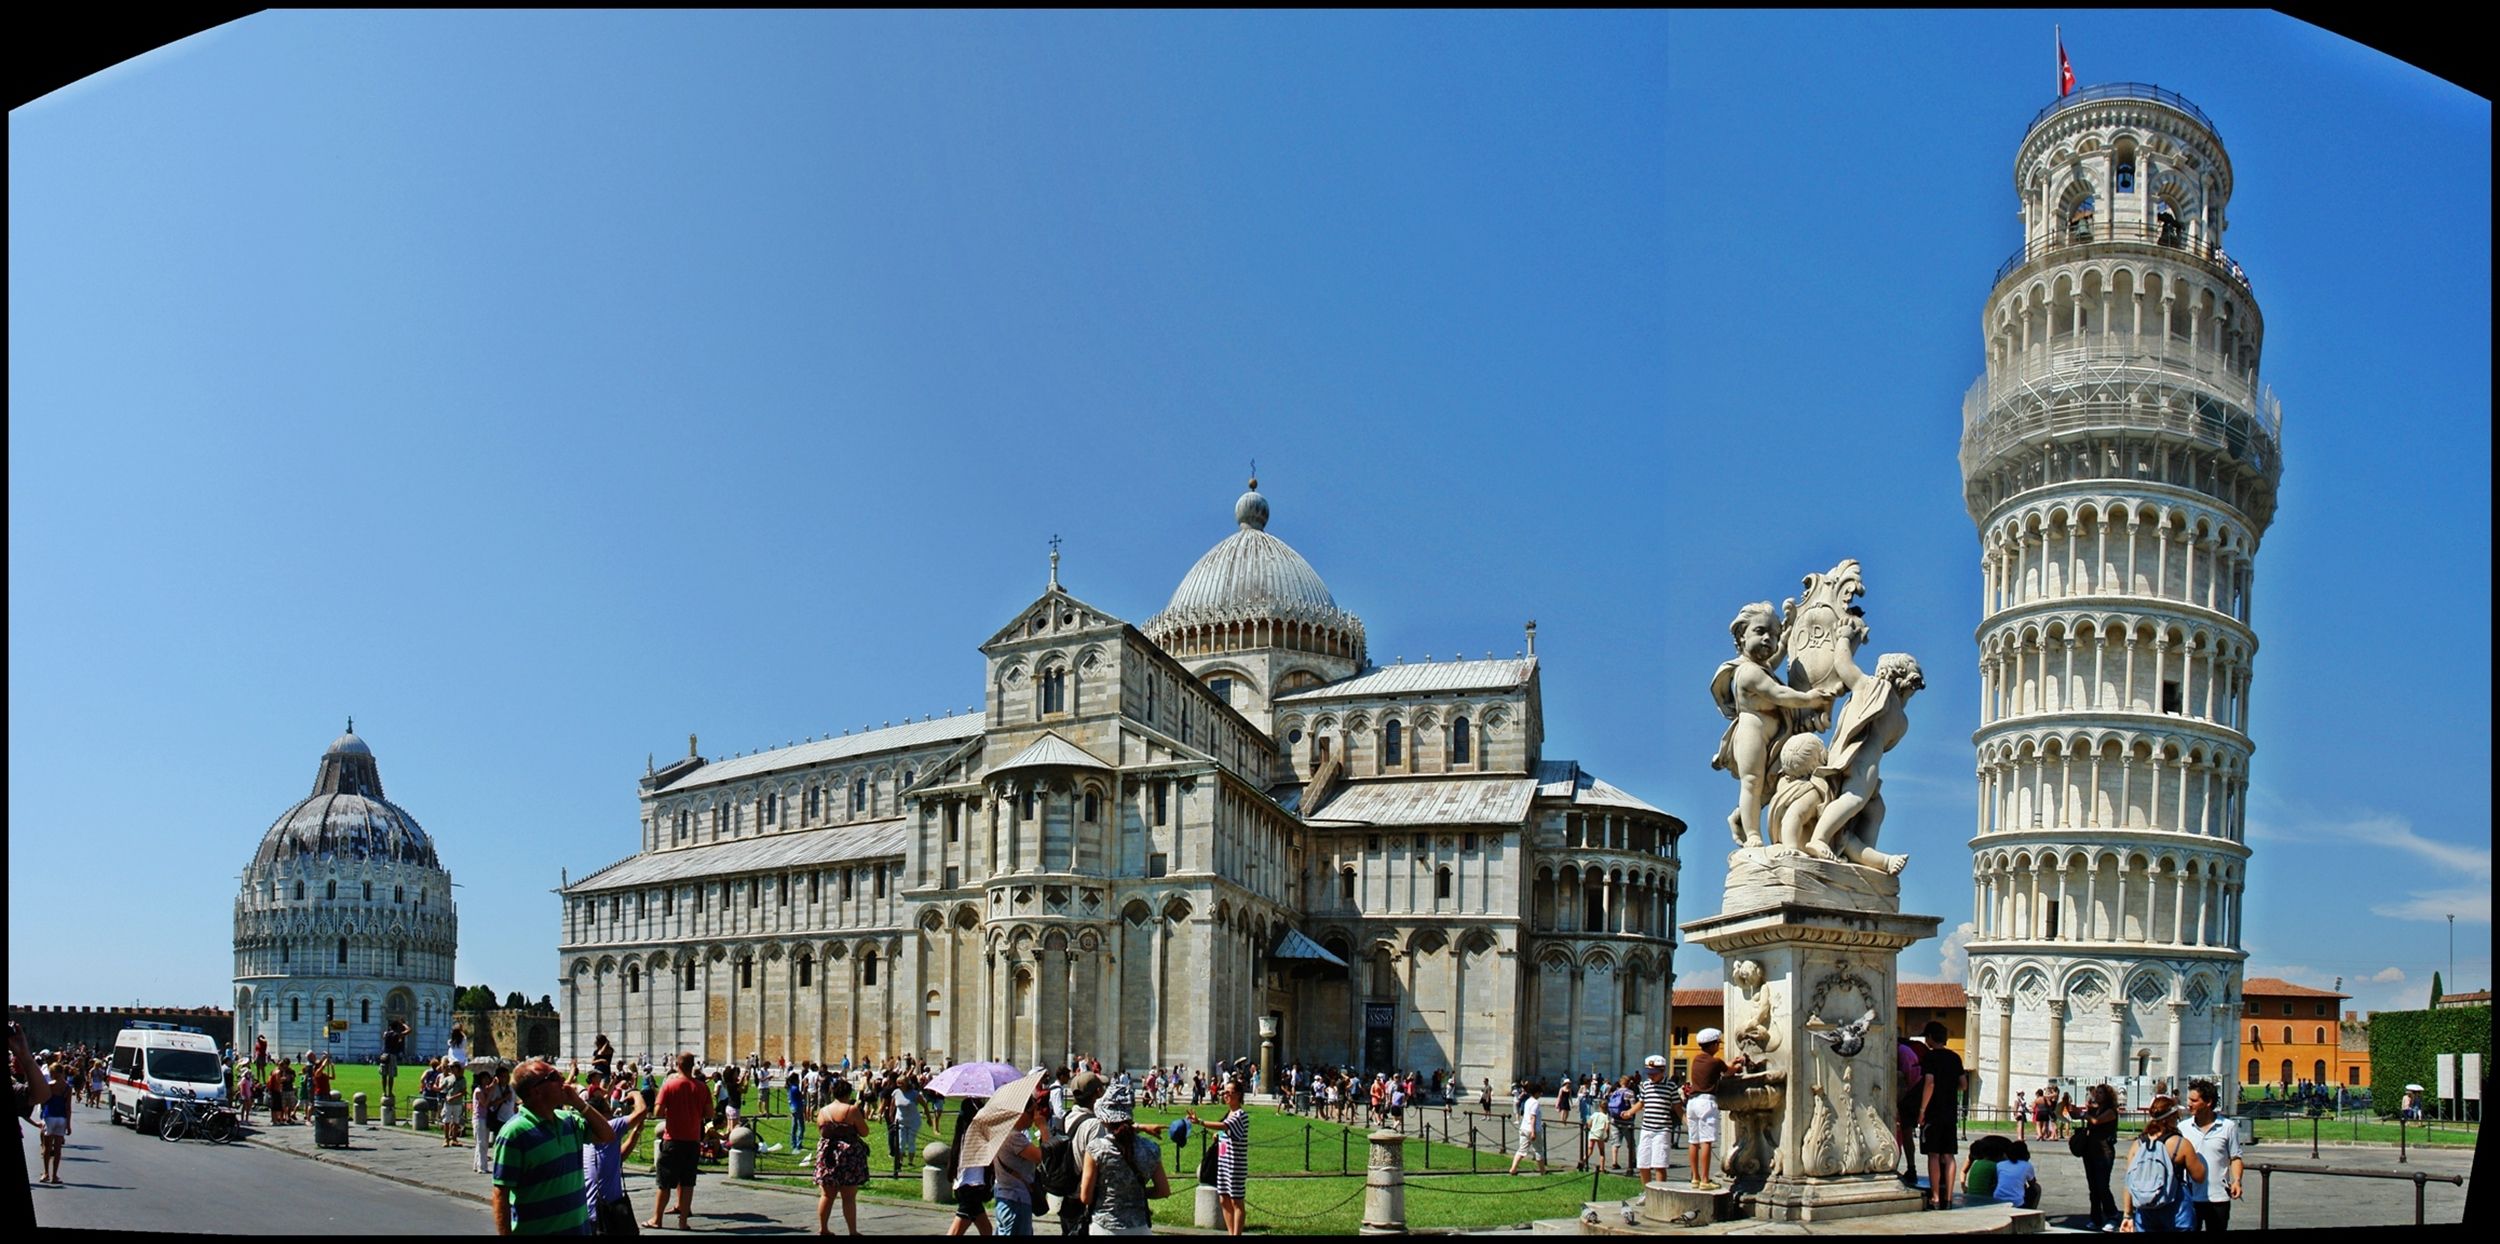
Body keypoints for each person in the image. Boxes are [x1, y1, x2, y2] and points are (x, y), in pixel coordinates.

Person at [490, 1058, 616, 1236]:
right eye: (553, 1076)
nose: (562, 1079)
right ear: (536, 1091)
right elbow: (500, 1195)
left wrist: (579, 1104)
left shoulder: (569, 1121)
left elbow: (607, 1135)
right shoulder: (514, 1133)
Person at [1079, 1084, 1169, 1236]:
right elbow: (1163, 1190)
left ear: (1104, 1118)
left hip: (1105, 1226)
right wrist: (1136, 1192)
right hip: (1139, 1227)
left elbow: (1086, 1197)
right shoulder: (1151, 1148)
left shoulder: (1096, 1149)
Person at [2119, 1095, 2205, 1233]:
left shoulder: (2138, 1144)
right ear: (2170, 1117)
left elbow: (2129, 1182)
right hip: (2177, 1209)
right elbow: (2199, 1176)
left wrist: (2127, 1215)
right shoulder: (2180, 1144)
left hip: (2145, 1210)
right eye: (2176, 1116)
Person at [646, 1053, 709, 1231]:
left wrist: (672, 1110)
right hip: (692, 1140)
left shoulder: (669, 1085)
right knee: (688, 1182)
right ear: (692, 1066)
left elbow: (658, 1111)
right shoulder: (702, 1087)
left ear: (677, 1064)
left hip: (672, 1139)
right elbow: (710, 1113)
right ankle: (683, 1222)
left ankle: (657, 1219)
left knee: (664, 1182)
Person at [583, 1069, 649, 1236]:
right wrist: (634, 1093)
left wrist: (636, 1133)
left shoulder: (585, 1135)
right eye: (608, 1110)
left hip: (590, 1211)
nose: (612, 1113)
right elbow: (641, 1111)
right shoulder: (610, 1126)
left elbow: (617, 1159)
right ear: (601, 1115)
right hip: (608, 1212)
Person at [2176, 1079, 2243, 1231]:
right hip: (2190, 1198)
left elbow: (2235, 1157)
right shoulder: (2182, 1128)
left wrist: (2237, 1181)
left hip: (2218, 1197)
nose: (2189, 1104)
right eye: (2189, 1100)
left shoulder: (2228, 1127)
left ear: (2208, 1102)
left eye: (2194, 1100)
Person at [1187, 1076, 1249, 1234]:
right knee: (1223, 1199)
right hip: (1224, 1164)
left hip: (1235, 1165)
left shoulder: (1240, 1115)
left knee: (1236, 1201)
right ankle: (1230, 1232)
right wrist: (1218, 1135)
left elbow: (1225, 1126)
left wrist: (1200, 1122)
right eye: (1224, 1092)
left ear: (1239, 1095)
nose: (1226, 1095)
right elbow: (1225, 1131)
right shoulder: (1229, 1114)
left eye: (1230, 1092)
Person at [814, 1078, 873, 1235]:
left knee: (827, 1194)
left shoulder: (823, 1111)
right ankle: (852, 1231)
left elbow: (821, 1130)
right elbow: (864, 1132)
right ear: (848, 1093)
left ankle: (823, 1228)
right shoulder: (851, 1110)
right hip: (848, 1155)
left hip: (827, 1154)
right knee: (848, 1196)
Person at [1916, 1021, 1964, 1210]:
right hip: (1950, 1112)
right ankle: (1950, 1197)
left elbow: (1930, 1083)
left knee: (1933, 1155)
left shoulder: (1930, 1057)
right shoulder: (1955, 1057)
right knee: (1949, 1155)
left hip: (1934, 1112)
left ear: (1929, 1038)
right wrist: (1950, 1089)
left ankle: (1936, 1196)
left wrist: (1922, 1110)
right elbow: (1963, 1084)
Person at [1056, 1071, 1109, 1236]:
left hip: (1068, 1198)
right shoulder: (1094, 1125)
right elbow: (1101, 1163)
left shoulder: (1066, 1117)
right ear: (1098, 1093)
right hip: (1086, 1201)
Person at [987, 1092, 1045, 1237]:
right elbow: (1041, 1157)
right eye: (1032, 1112)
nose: (1034, 1117)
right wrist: (1043, 1128)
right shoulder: (1014, 1137)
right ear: (1021, 1113)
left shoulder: (1002, 1132)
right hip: (1015, 1199)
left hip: (1005, 1195)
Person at [1687, 1031, 1737, 1191]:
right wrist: (1737, 1065)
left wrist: (1729, 1064)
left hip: (1692, 1102)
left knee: (1693, 1141)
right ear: (1714, 1044)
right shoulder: (1715, 1062)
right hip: (1706, 1102)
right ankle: (1705, 1179)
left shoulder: (1696, 1059)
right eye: (1718, 1043)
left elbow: (1721, 1067)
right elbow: (1729, 1071)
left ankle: (1694, 1178)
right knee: (1706, 1141)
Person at [2069, 1082, 2123, 1231]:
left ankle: (2112, 1216)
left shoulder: (2111, 1111)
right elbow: (2077, 1115)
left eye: (2100, 1093)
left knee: (2102, 1186)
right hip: (2090, 1151)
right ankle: (2096, 1217)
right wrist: (2069, 1107)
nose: (2097, 1095)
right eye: (2096, 1092)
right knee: (2093, 1187)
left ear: (2107, 1096)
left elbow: (2096, 1121)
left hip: (2104, 1152)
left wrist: (2084, 1114)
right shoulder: (2096, 1109)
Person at [945, 1094, 995, 1236]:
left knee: (986, 1230)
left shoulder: (963, 1132)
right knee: (956, 1231)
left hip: (970, 1183)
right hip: (970, 1184)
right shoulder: (973, 1134)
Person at [1629, 1055, 1681, 1185]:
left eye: (1654, 1073)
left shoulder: (1671, 1086)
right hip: (1646, 1128)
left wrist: (1687, 1122)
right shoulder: (1646, 1085)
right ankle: (1646, 1191)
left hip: (1662, 1129)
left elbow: (1677, 1107)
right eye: (1649, 1073)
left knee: (1659, 1163)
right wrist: (1629, 1112)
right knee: (1642, 1163)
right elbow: (1641, 1102)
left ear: (1663, 1071)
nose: (1651, 1076)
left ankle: (1659, 1192)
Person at [476, 1063, 518, 1176]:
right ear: (498, 1077)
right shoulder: (495, 1090)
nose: (506, 1078)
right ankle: (497, 1164)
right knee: (499, 1143)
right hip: (499, 1119)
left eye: (507, 1076)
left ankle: (509, 1164)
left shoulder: (511, 1088)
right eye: (503, 1076)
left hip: (510, 1118)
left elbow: (514, 1103)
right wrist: (503, 1098)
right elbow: (490, 1105)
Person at [37, 1063, 73, 1185]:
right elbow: (68, 1107)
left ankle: (46, 1173)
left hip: (49, 1116)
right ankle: (54, 1176)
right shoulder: (68, 1088)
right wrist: (68, 1125)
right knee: (58, 1149)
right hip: (61, 1118)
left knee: (47, 1148)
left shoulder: (50, 1086)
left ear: (54, 1073)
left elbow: (43, 1101)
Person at [1508, 1079, 1548, 1176]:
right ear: (1537, 1093)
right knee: (1538, 1150)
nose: (1541, 1095)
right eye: (1540, 1093)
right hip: (1532, 1129)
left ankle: (1513, 1169)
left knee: (1521, 1150)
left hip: (1524, 1128)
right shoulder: (1535, 1103)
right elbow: (1533, 1117)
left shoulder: (1528, 1101)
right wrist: (1533, 1132)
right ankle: (1542, 1171)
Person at [1961, 1133, 2006, 1205]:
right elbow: (1963, 1171)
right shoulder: (1993, 1165)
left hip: (1971, 1199)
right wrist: (1963, 1186)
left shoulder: (1977, 1163)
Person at [1994, 1139, 2040, 1209]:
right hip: (2017, 1202)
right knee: (2037, 1188)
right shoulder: (2027, 1165)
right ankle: (2031, 1210)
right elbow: (2032, 1183)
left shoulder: (2000, 1164)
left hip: (1997, 1199)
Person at [382, 1018, 410, 1099]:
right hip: (392, 1056)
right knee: (391, 1075)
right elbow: (409, 1030)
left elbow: (385, 1036)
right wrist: (403, 1024)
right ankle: (390, 1092)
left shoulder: (386, 1033)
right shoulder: (396, 1035)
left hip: (384, 1056)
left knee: (384, 1075)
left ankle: (384, 1092)